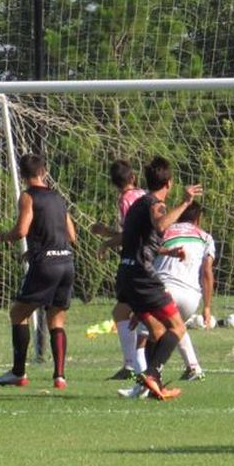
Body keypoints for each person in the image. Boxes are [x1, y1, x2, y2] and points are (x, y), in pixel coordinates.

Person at [113, 157, 202, 401]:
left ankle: (151, 386)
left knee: (157, 332)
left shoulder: (137, 204)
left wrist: (109, 240)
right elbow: (161, 224)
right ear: (169, 184)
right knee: (178, 327)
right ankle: (152, 374)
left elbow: (132, 239)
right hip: (143, 278)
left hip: (127, 276)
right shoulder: (155, 204)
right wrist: (185, 203)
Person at [0, 153, 77, 390]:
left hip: (46, 265)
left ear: (22, 175)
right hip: (66, 262)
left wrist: (2, 237)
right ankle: (60, 376)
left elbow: (21, 230)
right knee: (56, 319)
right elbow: (71, 235)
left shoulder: (28, 196)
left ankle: (18, 373)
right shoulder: (58, 198)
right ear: (44, 172)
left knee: (18, 313)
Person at [89, 159, 145, 380]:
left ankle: (133, 366)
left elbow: (130, 236)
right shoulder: (146, 196)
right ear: (133, 178)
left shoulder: (125, 200)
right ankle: (133, 365)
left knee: (127, 313)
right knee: (129, 312)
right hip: (153, 257)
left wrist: (106, 242)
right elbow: (137, 232)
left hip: (137, 262)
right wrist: (107, 232)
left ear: (114, 183)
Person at [153, 198, 215, 379]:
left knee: (144, 332)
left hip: (164, 290)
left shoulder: (165, 230)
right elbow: (207, 272)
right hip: (191, 296)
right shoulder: (205, 237)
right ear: (198, 219)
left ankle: (144, 372)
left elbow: (147, 252)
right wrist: (207, 306)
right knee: (177, 326)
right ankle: (193, 368)